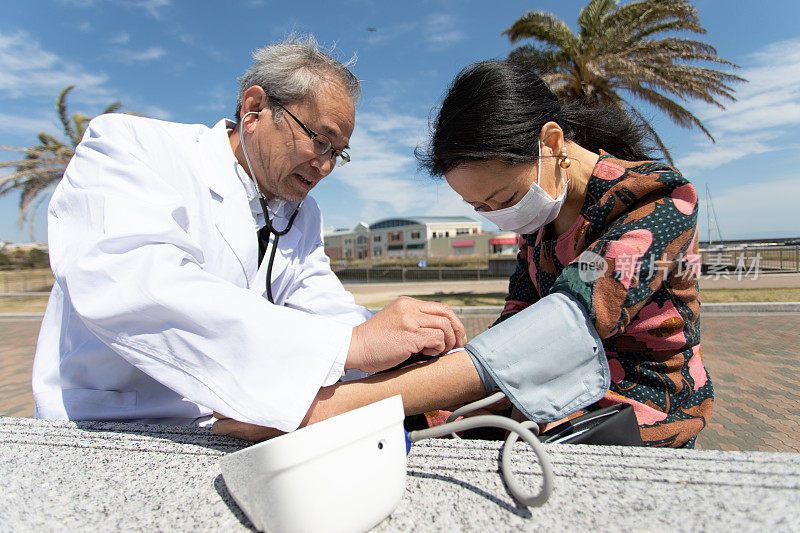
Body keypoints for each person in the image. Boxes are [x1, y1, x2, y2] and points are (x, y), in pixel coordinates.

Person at [214, 60, 713, 449]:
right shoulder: (541, 221)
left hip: (639, 399)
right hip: (550, 384)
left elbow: (557, 331)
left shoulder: (658, 204)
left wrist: (330, 407)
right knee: (415, 420)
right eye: (482, 207)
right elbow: (512, 333)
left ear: (551, 142)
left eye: (503, 199)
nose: (501, 216)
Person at [31, 36, 467, 432]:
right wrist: (352, 343)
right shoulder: (130, 147)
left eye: (339, 154)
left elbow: (321, 305)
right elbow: (135, 287)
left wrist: (405, 345)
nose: (326, 166)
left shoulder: (301, 212)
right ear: (255, 108)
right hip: (112, 423)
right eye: (320, 141)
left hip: (224, 421)